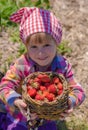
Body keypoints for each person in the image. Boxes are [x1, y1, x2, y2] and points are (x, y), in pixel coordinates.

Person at [0, 7, 85, 130]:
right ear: (26, 46)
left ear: (57, 43)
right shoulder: (22, 64)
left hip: (47, 118)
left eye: (46, 45)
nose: (41, 53)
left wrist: (70, 102)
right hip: (20, 115)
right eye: (34, 47)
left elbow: (78, 90)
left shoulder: (62, 65)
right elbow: (4, 86)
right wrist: (17, 102)